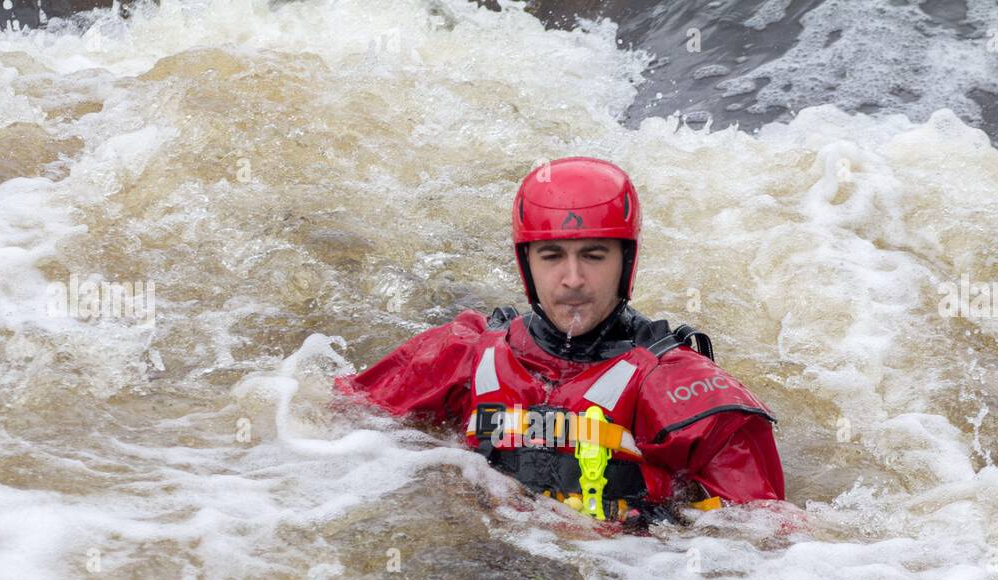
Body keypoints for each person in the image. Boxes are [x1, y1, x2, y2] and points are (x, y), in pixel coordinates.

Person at [332, 156, 785, 529]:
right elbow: (336, 421)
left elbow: (765, 539)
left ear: (626, 261)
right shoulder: (463, 354)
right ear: (526, 263)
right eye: (552, 256)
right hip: (487, 560)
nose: (572, 279)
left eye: (593, 255)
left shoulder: (684, 392)